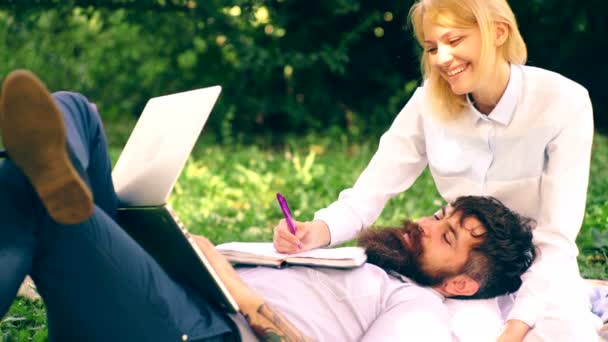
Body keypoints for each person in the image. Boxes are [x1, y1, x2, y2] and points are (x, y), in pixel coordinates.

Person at [0, 70, 536, 341]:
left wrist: (234, 288)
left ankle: (56, 200)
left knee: (37, 200)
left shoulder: (420, 312)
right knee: (78, 113)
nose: (423, 224)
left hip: (203, 327)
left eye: (446, 237)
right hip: (174, 288)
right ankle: (62, 192)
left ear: (461, 284)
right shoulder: (358, 264)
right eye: (439, 216)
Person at [272, 0, 596, 341]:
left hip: (543, 268)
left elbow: (555, 241)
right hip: (460, 269)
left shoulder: (565, 101)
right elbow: (368, 195)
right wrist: (317, 231)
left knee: (567, 334)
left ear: (499, 32)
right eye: (431, 47)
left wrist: (515, 329)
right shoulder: (426, 103)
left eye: (454, 41)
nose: (442, 58)